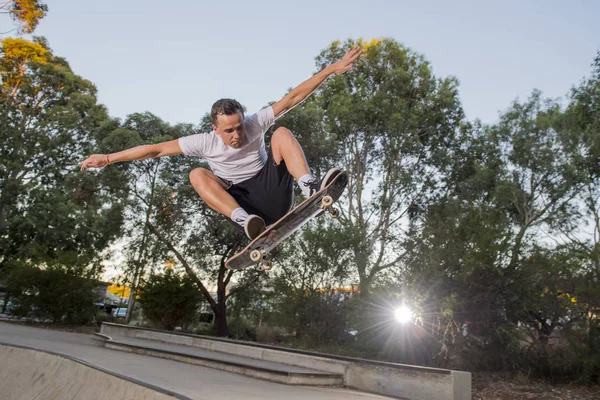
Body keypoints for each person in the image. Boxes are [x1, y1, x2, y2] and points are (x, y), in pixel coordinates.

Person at [81, 46, 362, 239]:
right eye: (229, 131)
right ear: (215, 129)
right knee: (196, 174)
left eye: (239, 127)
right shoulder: (202, 142)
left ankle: (310, 188)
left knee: (281, 133)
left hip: (273, 191)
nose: (237, 135)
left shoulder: (255, 122)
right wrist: (107, 158)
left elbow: (292, 98)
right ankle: (243, 220)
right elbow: (155, 150)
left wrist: (330, 70)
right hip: (244, 205)